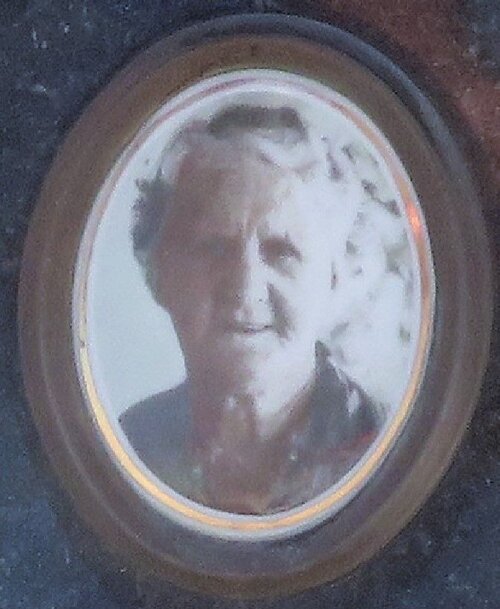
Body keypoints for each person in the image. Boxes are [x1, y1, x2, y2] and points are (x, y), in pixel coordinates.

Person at [119, 104, 383, 514]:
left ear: (336, 277)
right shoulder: (127, 448)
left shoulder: (383, 448)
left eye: (282, 252)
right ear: (160, 273)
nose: (245, 288)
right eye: (214, 247)